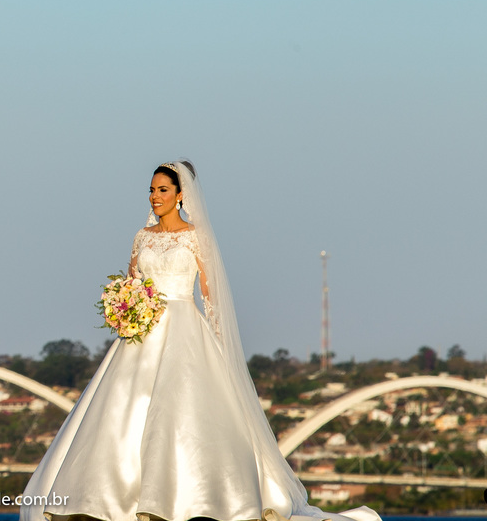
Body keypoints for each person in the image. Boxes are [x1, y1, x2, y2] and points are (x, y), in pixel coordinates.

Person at [20, 161, 378, 521]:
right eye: (151, 189)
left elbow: (211, 297)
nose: (155, 196)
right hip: (140, 336)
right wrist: (124, 310)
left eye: (162, 190)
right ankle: (106, 500)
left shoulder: (195, 237)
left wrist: (220, 349)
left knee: (178, 415)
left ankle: (184, 501)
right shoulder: (141, 237)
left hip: (184, 330)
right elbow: (131, 286)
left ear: (180, 195)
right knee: (120, 413)